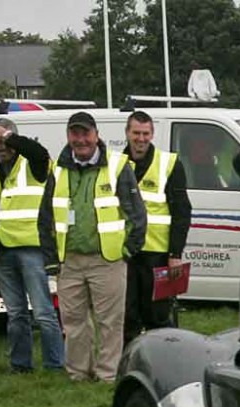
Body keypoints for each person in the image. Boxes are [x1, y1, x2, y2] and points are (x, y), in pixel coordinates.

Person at [37, 112, 147, 382]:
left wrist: (127, 251)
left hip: (107, 260)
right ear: (68, 136)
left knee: (110, 323)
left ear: (96, 135)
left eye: (85, 133)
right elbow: (45, 219)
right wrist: (52, 261)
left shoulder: (118, 166)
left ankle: (107, 375)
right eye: (75, 134)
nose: (81, 139)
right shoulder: (58, 170)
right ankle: (78, 374)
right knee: (74, 324)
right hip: (70, 262)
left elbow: (137, 215)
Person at [0, 118, 64, 373]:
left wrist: (7, 135)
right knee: (15, 314)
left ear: (14, 140)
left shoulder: (34, 164)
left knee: (43, 312)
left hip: (32, 248)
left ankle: (54, 366)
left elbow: (39, 152)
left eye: (4, 141)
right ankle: (20, 366)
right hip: (1, 250)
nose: (0, 146)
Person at [122, 111, 192, 345]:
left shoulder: (169, 163)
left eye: (145, 133)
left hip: (158, 254)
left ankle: (165, 358)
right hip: (124, 253)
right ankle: (128, 362)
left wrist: (175, 254)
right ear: (127, 133)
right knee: (127, 314)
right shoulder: (115, 164)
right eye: (136, 133)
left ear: (152, 134)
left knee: (157, 316)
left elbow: (182, 212)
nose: (141, 139)